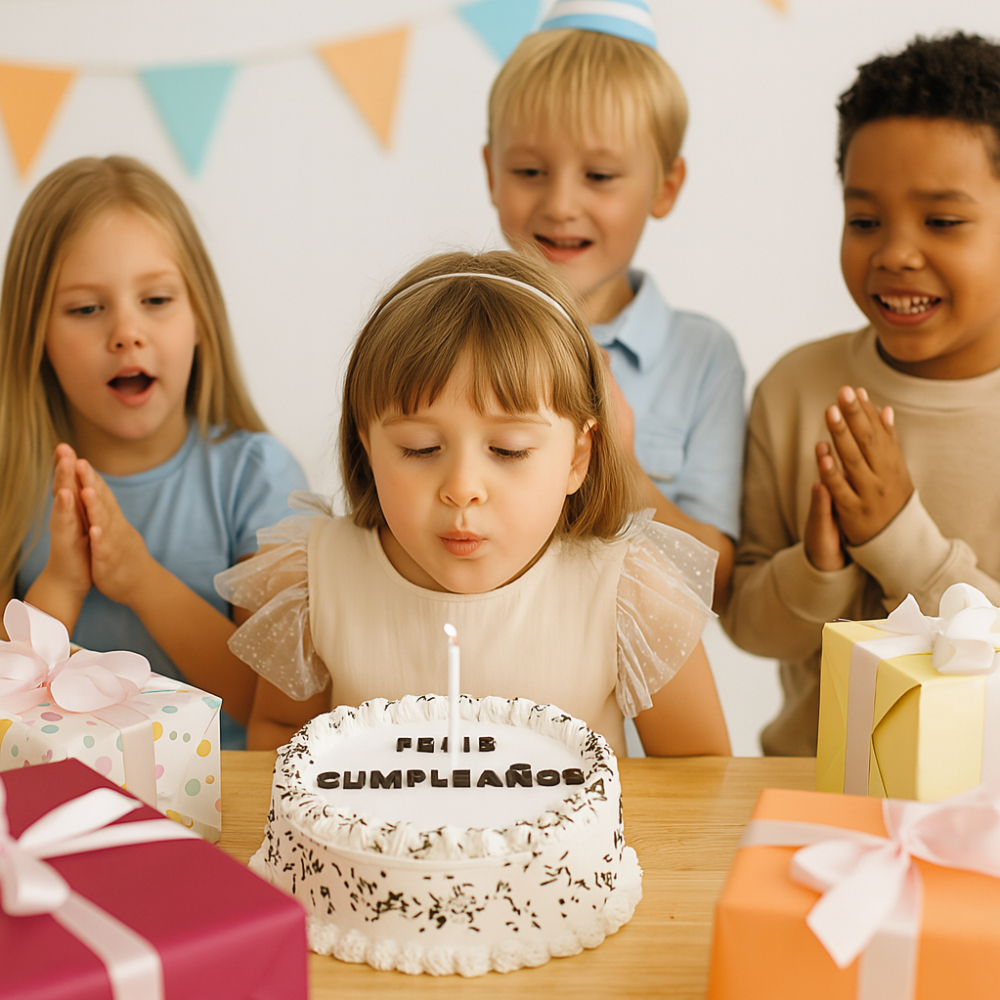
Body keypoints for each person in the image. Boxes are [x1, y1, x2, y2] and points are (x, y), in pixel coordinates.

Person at [216, 250, 730, 757]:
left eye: (508, 450)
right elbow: (280, 736)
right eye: (420, 448)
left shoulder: (631, 594)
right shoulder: (316, 580)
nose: (462, 488)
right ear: (367, 446)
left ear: (577, 458)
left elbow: (702, 776)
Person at [722, 32, 1000, 755]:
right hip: (807, 788)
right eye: (864, 221)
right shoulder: (795, 391)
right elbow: (748, 626)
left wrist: (896, 539)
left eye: (942, 221)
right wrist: (819, 569)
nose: (895, 253)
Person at [1, 155, 308, 749]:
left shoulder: (257, 479)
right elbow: (8, 715)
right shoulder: (15, 484)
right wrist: (62, 584)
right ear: (35, 335)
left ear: (201, 319)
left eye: (158, 300)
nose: (126, 332)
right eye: (87, 309)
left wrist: (141, 579)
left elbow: (271, 707)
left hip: (222, 808)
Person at [482, 0, 745, 609]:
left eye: (599, 176)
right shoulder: (451, 333)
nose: (561, 203)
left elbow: (718, 585)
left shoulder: (702, 358)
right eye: (528, 170)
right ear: (490, 171)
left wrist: (620, 462)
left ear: (665, 186)